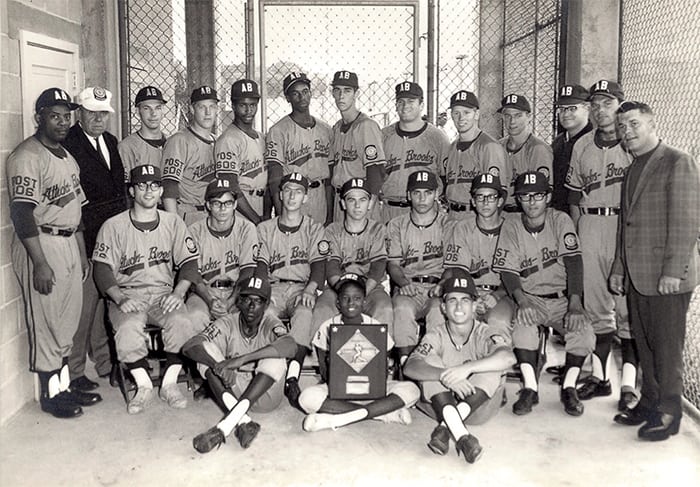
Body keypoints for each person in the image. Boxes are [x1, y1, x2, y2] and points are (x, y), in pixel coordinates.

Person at [7, 88, 100, 418]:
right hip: (42, 244)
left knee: (66, 320)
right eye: (54, 115)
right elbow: (22, 214)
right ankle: (51, 394)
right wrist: (40, 263)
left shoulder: (65, 155)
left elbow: (76, 212)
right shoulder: (26, 157)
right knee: (47, 322)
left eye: (66, 116)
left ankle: (66, 382)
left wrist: (82, 254)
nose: (62, 122)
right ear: (39, 118)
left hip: (67, 244)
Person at [610, 101, 700, 441]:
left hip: (666, 277)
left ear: (651, 123)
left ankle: (669, 413)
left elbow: (686, 222)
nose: (627, 132)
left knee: (666, 347)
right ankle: (648, 403)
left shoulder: (678, 161)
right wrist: (620, 268)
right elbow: (626, 226)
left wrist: (673, 272)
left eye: (633, 124)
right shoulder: (633, 167)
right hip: (638, 274)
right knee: (644, 344)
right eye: (622, 127)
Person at [92, 164, 200, 414]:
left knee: (182, 321)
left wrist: (178, 292)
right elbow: (101, 268)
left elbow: (190, 262)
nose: (148, 191)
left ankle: (169, 384)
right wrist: (119, 298)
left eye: (154, 185)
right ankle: (143, 386)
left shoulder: (173, 222)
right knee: (128, 327)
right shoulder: (113, 225)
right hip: (128, 294)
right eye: (142, 185)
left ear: (161, 190)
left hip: (163, 293)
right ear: (131, 191)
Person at [492, 171, 594, 417]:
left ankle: (569, 388)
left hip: (561, 298)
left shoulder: (561, 220)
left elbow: (573, 262)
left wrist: (576, 303)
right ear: (518, 200)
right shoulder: (512, 225)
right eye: (525, 197)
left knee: (584, 331)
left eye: (537, 195)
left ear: (547, 197)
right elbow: (508, 271)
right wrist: (523, 301)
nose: (532, 202)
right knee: (523, 328)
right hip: (532, 297)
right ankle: (530, 387)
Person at [565, 80, 638, 410]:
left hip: (626, 224)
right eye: (594, 104)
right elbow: (573, 195)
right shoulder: (581, 145)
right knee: (596, 308)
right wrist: (579, 233)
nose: (599, 109)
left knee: (627, 310)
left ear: (619, 106)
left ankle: (629, 386)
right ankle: (601, 377)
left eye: (607, 103)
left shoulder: (631, 143)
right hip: (591, 223)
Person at [404, 270, 515, 464]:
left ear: (474, 306)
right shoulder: (435, 335)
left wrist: (468, 368)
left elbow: (508, 357)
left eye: (465, 300)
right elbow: (410, 367)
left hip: (478, 409)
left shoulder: (485, 332)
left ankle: (446, 427)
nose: (458, 306)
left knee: (493, 364)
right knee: (428, 361)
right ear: (443, 308)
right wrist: (445, 376)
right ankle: (463, 436)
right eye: (452, 300)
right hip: (439, 405)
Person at [183, 275, 297, 453]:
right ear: (238, 301)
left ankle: (225, 427)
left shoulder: (270, 321)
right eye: (246, 299)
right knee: (204, 354)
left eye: (258, 301)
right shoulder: (228, 322)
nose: (251, 306)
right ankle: (244, 421)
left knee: (277, 357)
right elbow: (190, 346)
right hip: (234, 388)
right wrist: (218, 366)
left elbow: (291, 346)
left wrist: (241, 359)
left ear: (266, 305)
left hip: (265, 394)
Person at [63, 86, 127, 390]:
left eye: (103, 113)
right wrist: (84, 247)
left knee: (104, 305)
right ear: (81, 113)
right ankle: (75, 370)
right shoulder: (70, 145)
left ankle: (104, 363)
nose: (98, 119)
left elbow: (118, 192)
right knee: (84, 308)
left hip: (112, 237)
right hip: (88, 237)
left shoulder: (111, 141)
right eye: (92, 113)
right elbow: (76, 201)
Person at [298, 273, 420, 431]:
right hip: (338, 390)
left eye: (356, 298)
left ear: (364, 302)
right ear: (337, 302)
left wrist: (368, 381)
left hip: (372, 389)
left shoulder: (376, 326)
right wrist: (338, 373)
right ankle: (382, 413)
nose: (351, 302)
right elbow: (324, 370)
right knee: (306, 398)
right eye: (345, 298)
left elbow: (382, 367)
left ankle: (336, 418)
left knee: (412, 390)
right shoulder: (327, 326)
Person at [255, 172, 327, 408]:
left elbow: (319, 266)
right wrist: (263, 293)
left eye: (298, 191)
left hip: (300, 288)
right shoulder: (264, 228)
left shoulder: (314, 228)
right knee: (264, 314)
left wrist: (310, 290)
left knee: (305, 313)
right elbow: (260, 266)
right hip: (273, 287)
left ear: (306, 197)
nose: (292, 195)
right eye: (288, 190)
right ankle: (270, 369)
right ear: (280, 195)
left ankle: (292, 376)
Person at [436, 173, 515, 336]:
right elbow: (458, 269)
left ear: (500, 201)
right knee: (457, 317)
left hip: (503, 293)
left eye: (491, 197)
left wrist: (497, 295)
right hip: (469, 291)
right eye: (480, 197)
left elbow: (515, 275)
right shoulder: (462, 228)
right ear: (472, 201)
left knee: (498, 321)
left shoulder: (513, 230)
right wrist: (473, 296)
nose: (485, 202)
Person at [312, 178, 393, 332]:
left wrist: (361, 294)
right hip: (337, 288)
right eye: (351, 200)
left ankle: (383, 355)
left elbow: (378, 267)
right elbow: (331, 267)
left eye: (362, 200)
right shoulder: (331, 230)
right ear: (343, 203)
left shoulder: (378, 229)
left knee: (385, 308)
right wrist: (345, 293)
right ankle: (318, 355)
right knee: (322, 309)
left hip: (370, 287)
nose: (357, 205)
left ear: (370, 204)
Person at [387, 170, 448, 364]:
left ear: (436, 194)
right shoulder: (397, 224)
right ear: (408, 195)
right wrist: (403, 283)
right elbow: (393, 264)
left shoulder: (448, 224)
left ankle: (433, 363)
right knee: (401, 309)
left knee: (439, 311)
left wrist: (443, 284)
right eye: (416, 193)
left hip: (437, 287)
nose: (422, 198)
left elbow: (455, 265)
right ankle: (406, 365)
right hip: (409, 286)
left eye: (428, 193)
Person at [186, 178, 257, 332]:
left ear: (235, 205)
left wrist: (231, 300)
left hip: (237, 292)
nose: (223, 208)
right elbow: (193, 274)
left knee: (249, 314)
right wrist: (210, 300)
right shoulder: (194, 231)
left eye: (228, 203)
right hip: (204, 292)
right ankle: (201, 356)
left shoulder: (247, 229)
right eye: (217, 203)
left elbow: (248, 272)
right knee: (194, 316)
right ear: (208, 205)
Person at [266, 72, 333, 225]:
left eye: (305, 92)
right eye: (295, 93)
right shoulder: (278, 130)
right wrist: (280, 212)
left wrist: (330, 214)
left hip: (320, 197)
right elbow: (275, 178)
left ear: (310, 93)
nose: (302, 97)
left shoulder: (326, 129)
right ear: (287, 97)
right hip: (293, 198)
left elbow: (329, 179)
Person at [380, 81, 450, 223]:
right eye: (401, 101)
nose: (405, 106)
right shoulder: (383, 136)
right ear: (396, 105)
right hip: (389, 210)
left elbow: (446, 177)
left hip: (425, 212)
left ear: (421, 105)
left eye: (411, 101)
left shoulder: (437, 137)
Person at [441, 90, 509, 226]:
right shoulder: (452, 147)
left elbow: (500, 193)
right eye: (456, 113)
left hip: (476, 218)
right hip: (452, 217)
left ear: (476, 114)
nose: (461, 118)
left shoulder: (489, 146)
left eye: (467, 112)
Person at [329, 70, 386, 222]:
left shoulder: (367, 126)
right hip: (340, 201)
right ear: (332, 93)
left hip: (359, 203)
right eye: (337, 90)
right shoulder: (336, 128)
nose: (341, 96)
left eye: (347, 91)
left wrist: (369, 208)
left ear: (356, 94)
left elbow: (376, 170)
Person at [215, 79, 269, 224]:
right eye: (242, 105)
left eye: (252, 105)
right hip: (240, 212)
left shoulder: (262, 137)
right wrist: (256, 220)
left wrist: (266, 216)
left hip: (260, 205)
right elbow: (230, 186)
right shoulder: (228, 140)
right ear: (233, 106)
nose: (248, 110)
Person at [162, 86, 218, 224]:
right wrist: (175, 225)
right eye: (201, 107)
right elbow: (169, 187)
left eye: (212, 106)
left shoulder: (218, 141)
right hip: (189, 214)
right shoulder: (179, 141)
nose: (207, 112)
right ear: (192, 109)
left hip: (215, 214)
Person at [497, 94, 553, 211]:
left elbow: (543, 196)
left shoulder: (538, 149)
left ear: (528, 117)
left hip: (525, 213)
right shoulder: (497, 147)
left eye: (518, 115)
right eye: (507, 116)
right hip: (499, 213)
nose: (512, 121)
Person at [551, 84, 592, 212]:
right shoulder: (558, 142)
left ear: (587, 108)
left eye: (572, 108)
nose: (566, 114)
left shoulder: (594, 141)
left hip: (583, 214)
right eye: (562, 109)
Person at [118, 86, 168, 178]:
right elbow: (125, 187)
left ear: (163, 111)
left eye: (158, 108)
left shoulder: (172, 142)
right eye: (146, 108)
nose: (153, 113)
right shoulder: (127, 147)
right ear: (137, 111)